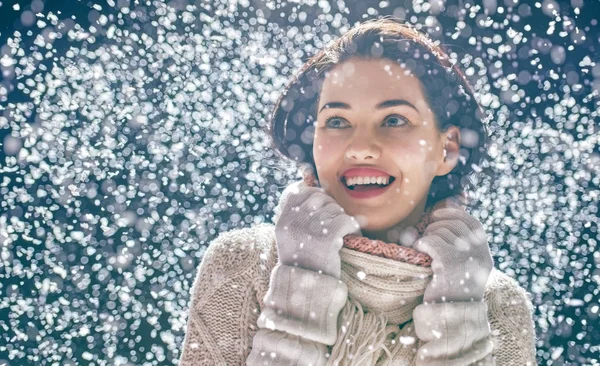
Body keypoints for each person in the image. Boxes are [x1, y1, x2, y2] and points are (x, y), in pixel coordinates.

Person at [178, 18, 538, 365]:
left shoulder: (495, 305)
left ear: (447, 149)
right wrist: (300, 291)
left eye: (394, 120)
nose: (360, 147)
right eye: (337, 121)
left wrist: (459, 325)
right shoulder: (244, 265)